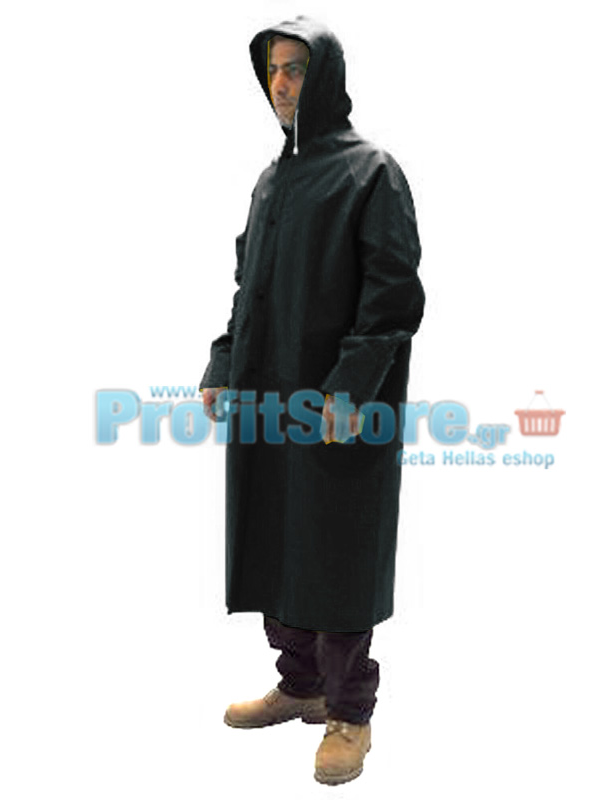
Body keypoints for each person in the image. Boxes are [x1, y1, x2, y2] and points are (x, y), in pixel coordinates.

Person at [199, 16, 425, 786]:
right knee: (274, 538)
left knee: (336, 552)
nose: (281, 85)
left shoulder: (370, 172)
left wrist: (349, 391)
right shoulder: (272, 181)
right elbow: (248, 289)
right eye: (271, 70)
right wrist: (222, 363)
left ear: (325, 75)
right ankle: (299, 684)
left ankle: (349, 712)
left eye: (295, 69)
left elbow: (392, 298)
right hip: (267, 402)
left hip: (337, 408)